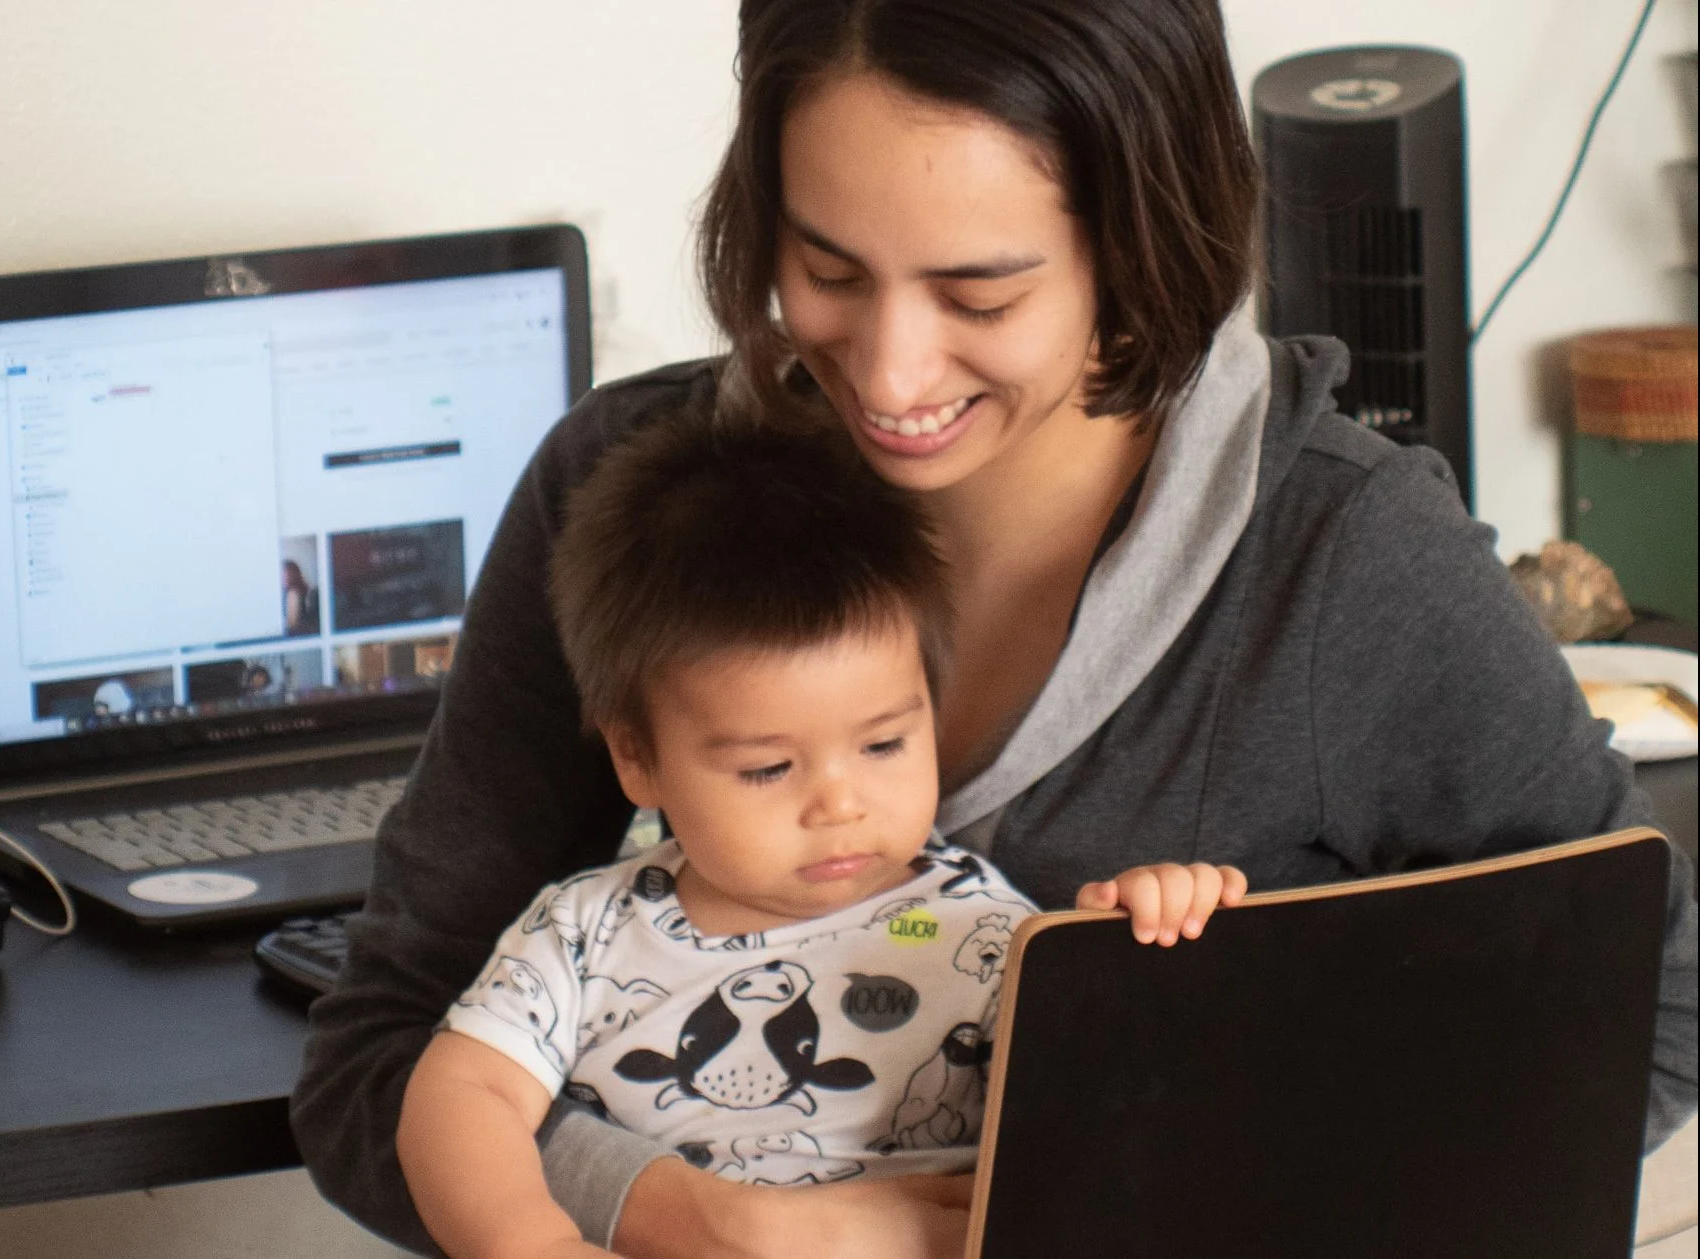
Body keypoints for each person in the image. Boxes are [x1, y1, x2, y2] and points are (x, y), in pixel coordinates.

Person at [293, 3, 1698, 1257]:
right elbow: (379, 1057)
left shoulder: (1340, 556)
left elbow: (1648, 1017)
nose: (890, 373)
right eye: (825, 267)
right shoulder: (630, 501)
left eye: (982, 295)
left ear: (1140, 248)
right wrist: (688, 1213)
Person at [395, 416, 1247, 1259]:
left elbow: (1122, 1129)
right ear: (638, 757)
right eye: (768, 768)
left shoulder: (982, 930)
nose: (839, 803)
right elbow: (463, 1094)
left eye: (884, 744)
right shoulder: (584, 934)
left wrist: (1127, 949)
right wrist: (529, 1242)